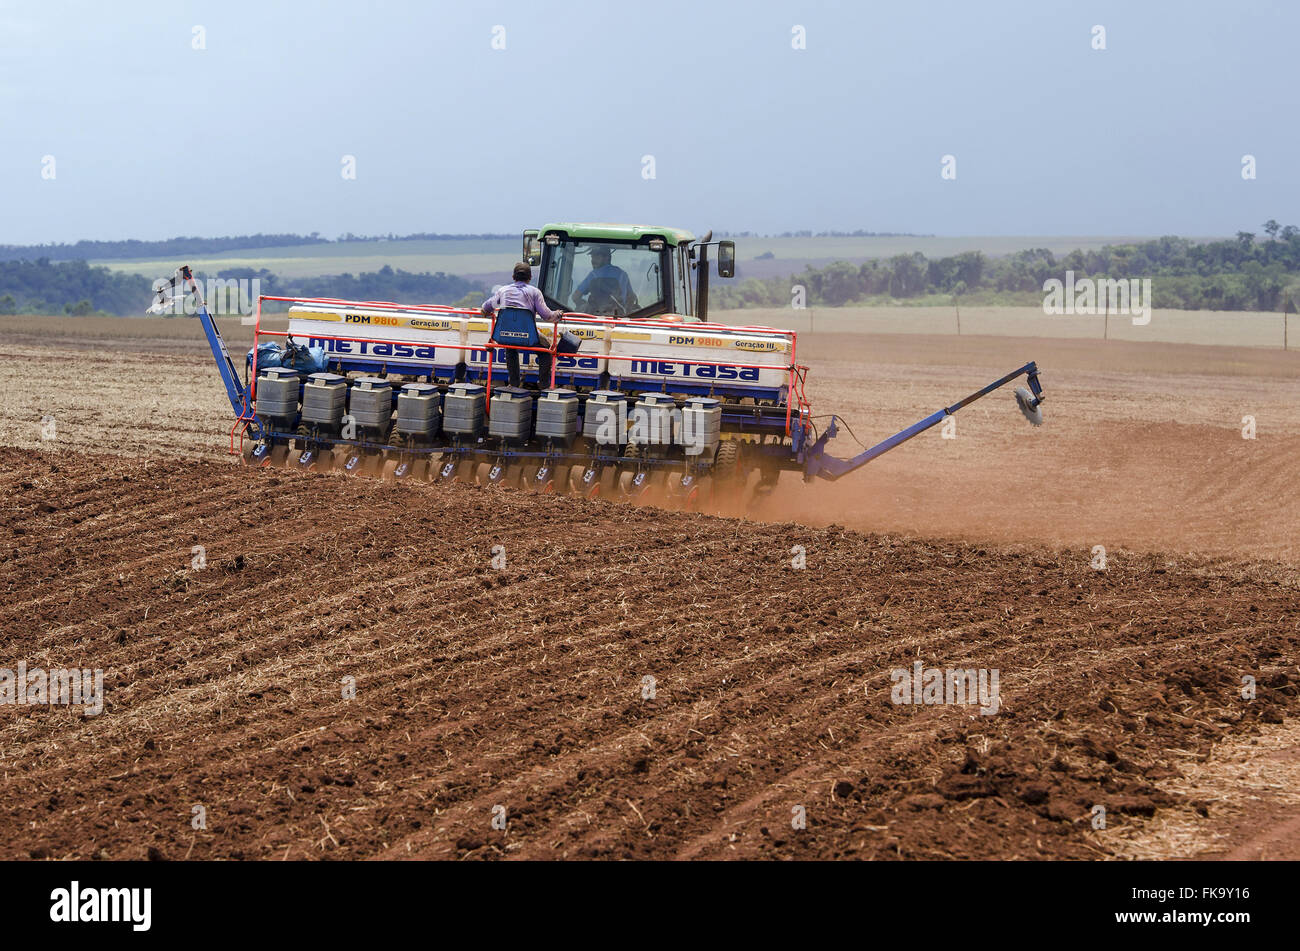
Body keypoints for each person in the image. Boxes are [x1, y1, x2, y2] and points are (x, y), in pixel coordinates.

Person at [480, 262, 560, 388]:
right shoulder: (534, 292)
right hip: (528, 336)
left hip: (504, 335)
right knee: (546, 352)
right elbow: (548, 316)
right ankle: (544, 385)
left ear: (513, 277)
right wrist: (558, 314)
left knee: (510, 348)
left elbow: (486, 308)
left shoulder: (503, 291)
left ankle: (514, 384)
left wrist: (485, 312)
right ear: (530, 278)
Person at [572, 245, 638, 315]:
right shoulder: (623, 274)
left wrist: (585, 305)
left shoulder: (594, 275)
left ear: (607, 258)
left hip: (596, 317)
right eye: (592, 257)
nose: (593, 260)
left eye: (597, 257)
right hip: (619, 317)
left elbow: (575, 297)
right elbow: (631, 297)